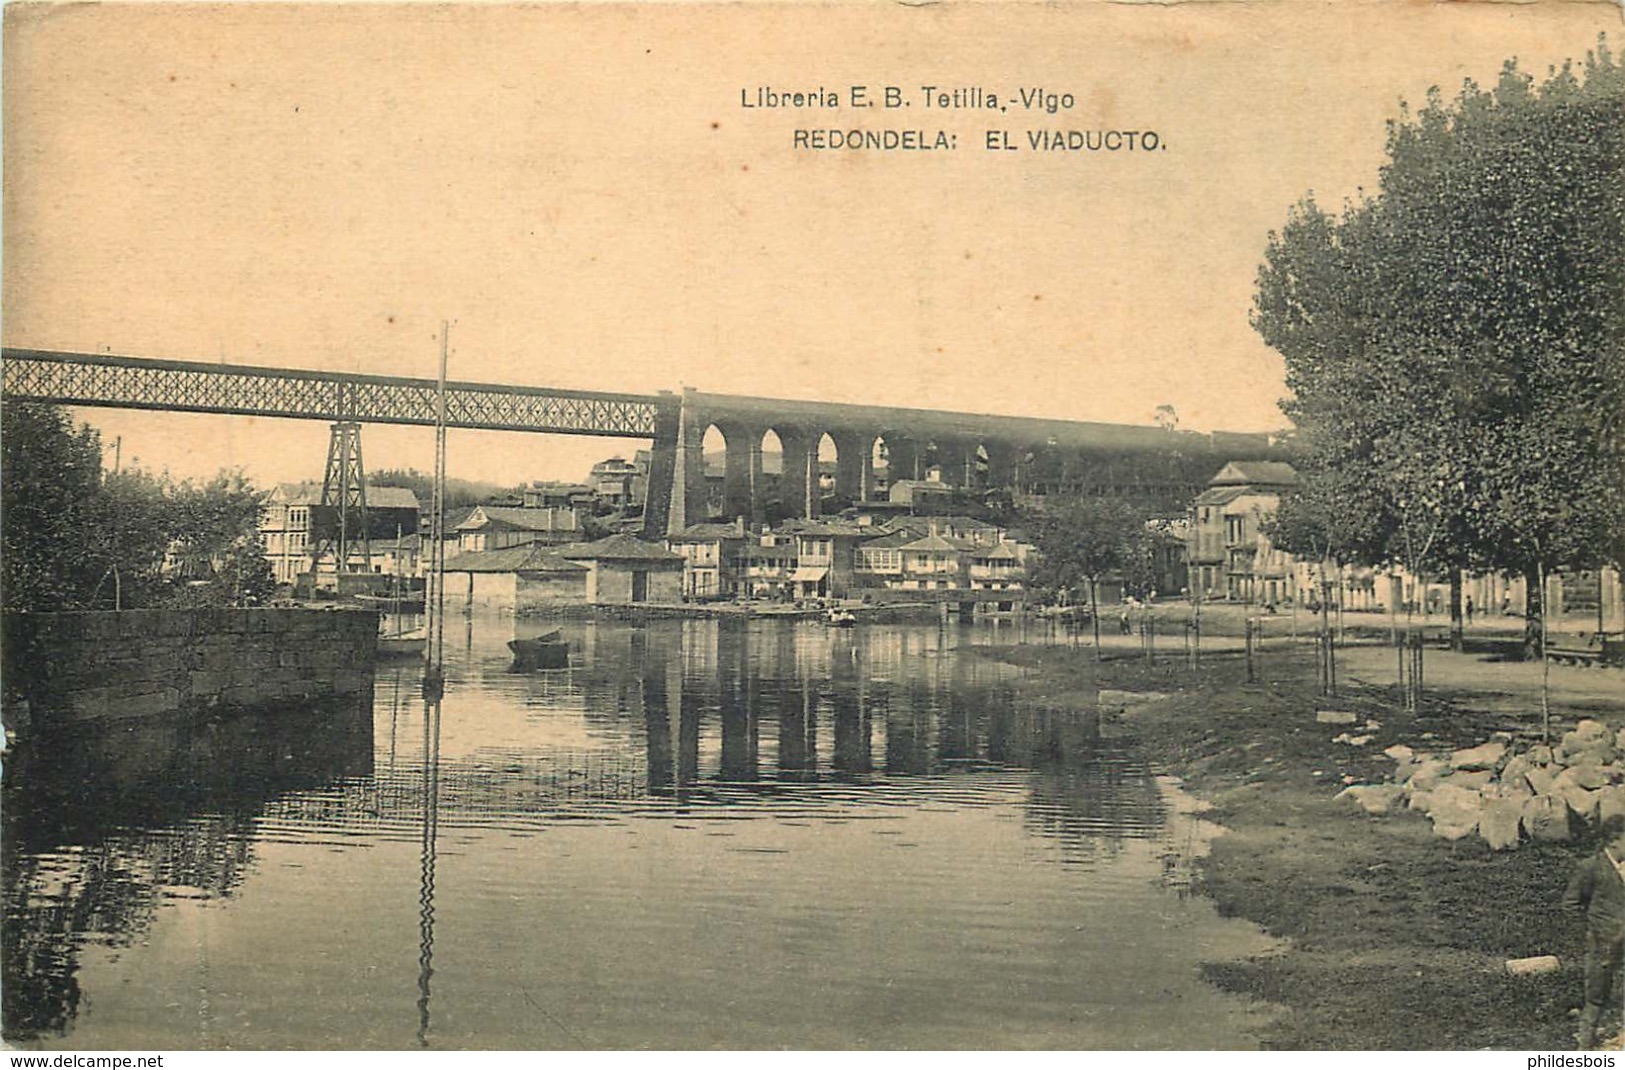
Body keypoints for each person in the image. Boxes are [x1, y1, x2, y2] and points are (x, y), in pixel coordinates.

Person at [1562, 815, 1625, 1049]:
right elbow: (1570, 904)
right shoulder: (1590, 867)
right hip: (1602, 945)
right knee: (1596, 998)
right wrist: (1591, 933)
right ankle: (1585, 1049)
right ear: (1614, 840)